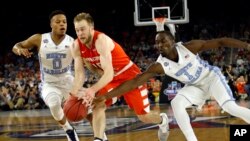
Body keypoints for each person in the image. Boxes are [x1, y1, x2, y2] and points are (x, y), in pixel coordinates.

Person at [93, 19, 250, 141]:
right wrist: (106, 96)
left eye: (163, 41)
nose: (160, 44)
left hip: (211, 78)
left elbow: (221, 41)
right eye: (157, 43)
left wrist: (247, 46)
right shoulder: (159, 66)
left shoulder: (189, 47)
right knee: (176, 103)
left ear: (173, 41)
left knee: (230, 108)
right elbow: (135, 82)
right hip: (194, 86)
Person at [70, 12, 169, 141]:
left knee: (144, 117)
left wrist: (92, 89)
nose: (80, 33)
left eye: (82, 29)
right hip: (111, 79)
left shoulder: (101, 40)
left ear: (91, 27)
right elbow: (79, 74)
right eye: (77, 30)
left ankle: (162, 120)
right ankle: (99, 139)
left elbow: (109, 73)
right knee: (97, 104)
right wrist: (72, 95)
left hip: (130, 77)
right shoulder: (76, 46)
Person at [12, 10, 80, 141]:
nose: (62, 24)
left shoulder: (73, 42)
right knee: (54, 105)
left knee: (87, 110)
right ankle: (69, 130)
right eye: (58, 22)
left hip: (68, 81)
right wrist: (19, 50)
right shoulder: (39, 39)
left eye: (64, 22)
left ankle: (101, 137)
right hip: (49, 83)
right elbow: (16, 45)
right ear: (51, 24)